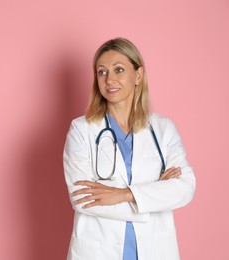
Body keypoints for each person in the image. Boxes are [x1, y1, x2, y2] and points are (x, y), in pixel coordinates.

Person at [63, 38, 196, 260]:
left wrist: (123, 194)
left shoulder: (163, 129)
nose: (110, 79)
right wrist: (152, 197)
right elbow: (82, 198)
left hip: (155, 248)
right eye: (102, 72)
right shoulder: (81, 129)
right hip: (98, 250)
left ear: (138, 75)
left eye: (119, 70)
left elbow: (185, 187)